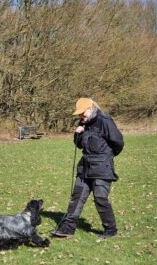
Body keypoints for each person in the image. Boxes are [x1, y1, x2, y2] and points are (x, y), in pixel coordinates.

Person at [51, 98, 124, 239]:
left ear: (91, 108)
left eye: (82, 113)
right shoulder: (83, 123)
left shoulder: (105, 121)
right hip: (85, 167)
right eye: (79, 114)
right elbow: (79, 145)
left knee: (100, 198)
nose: (80, 116)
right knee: (77, 197)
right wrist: (77, 133)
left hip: (102, 168)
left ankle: (111, 230)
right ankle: (67, 229)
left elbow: (118, 142)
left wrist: (106, 156)